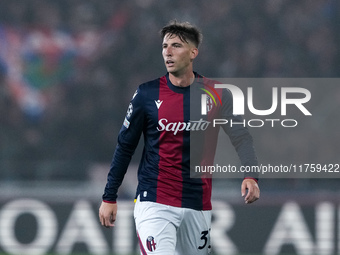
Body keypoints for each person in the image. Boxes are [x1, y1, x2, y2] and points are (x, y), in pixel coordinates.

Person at [99, 20, 260, 255]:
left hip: (198, 203)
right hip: (154, 201)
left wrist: (251, 175)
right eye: (165, 46)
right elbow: (125, 146)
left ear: (194, 52)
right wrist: (109, 195)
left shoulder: (217, 94)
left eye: (176, 45)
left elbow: (242, 137)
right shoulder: (146, 94)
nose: (168, 52)